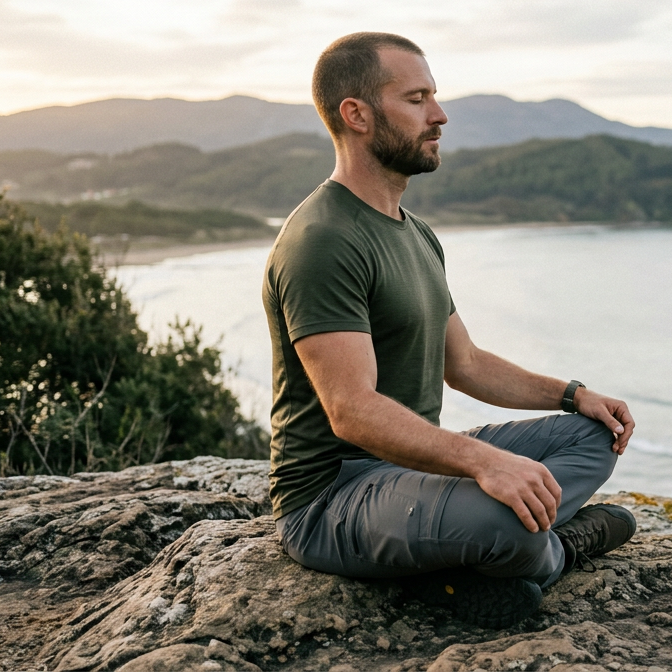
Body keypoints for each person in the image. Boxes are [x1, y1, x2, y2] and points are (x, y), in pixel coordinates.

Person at [264, 32, 637, 628]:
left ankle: (495, 552)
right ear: (356, 115)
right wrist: (483, 463)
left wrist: (574, 395)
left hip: (409, 474)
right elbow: (350, 411)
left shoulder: (416, 233)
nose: (439, 115)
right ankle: (556, 549)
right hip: (332, 498)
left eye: (434, 96)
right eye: (416, 99)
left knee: (592, 438)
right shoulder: (324, 240)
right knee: (501, 519)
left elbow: (464, 363)